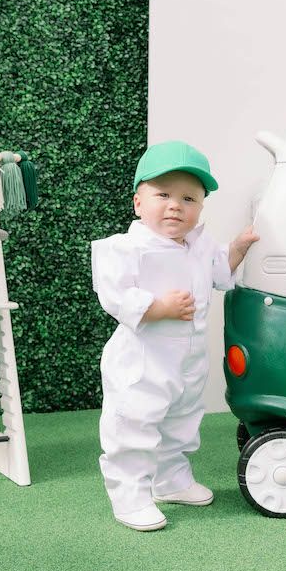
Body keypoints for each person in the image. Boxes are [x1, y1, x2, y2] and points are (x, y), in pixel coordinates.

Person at [91, 140, 259, 531]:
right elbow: (113, 294)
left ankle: (170, 480)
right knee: (134, 421)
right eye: (162, 194)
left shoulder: (199, 245)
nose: (175, 205)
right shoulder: (127, 247)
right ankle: (130, 494)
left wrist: (237, 247)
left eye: (188, 198)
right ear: (137, 202)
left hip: (186, 359)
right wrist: (158, 307)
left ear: (200, 207)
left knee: (181, 419)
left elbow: (221, 272)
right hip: (142, 361)